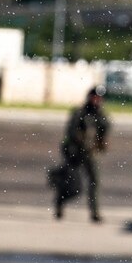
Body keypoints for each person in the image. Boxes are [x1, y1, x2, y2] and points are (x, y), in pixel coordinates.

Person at [54, 85, 110, 222]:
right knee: (74, 186)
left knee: (94, 182)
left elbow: (104, 131)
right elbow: (71, 133)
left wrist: (100, 143)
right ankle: (59, 203)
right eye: (95, 97)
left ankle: (94, 213)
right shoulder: (80, 113)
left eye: (99, 98)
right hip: (76, 154)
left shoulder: (101, 115)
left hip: (90, 154)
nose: (97, 100)